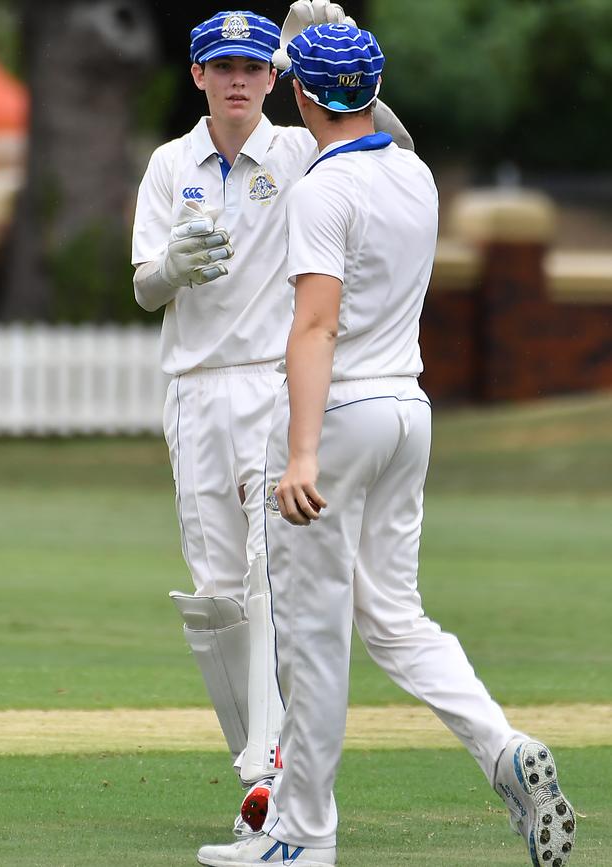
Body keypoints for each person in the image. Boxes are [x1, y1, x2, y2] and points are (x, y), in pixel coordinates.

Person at [196, 22, 577, 867]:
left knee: (315, 635)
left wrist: (299, 455)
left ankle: (301, 835)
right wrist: (331, 48)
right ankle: (502, 746)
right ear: (368, 90)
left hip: (339, 420)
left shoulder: (320, 194)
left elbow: (316, 325)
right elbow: (376, 117)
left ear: (299, 95)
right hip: (408, 413)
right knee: (396, 617)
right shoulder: (415, 170)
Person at [130, 3, 415, 839]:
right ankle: (257, 770)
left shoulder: (298, 151)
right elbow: (145, 285)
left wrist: (338, 59)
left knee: (268, 578)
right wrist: (171, 269)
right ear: (199, 76)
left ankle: (274, 771)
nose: (241, 82)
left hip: (274, 383)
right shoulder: (167, 164)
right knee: (217, 597)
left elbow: (389, 146)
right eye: (226, 68)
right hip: (193, 388)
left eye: (256, 68)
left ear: (277, 77)